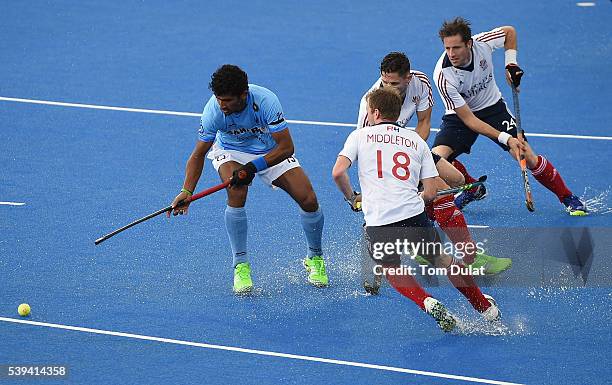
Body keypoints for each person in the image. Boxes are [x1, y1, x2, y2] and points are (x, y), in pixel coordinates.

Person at [334, 88, 500, 332]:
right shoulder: (416, 141)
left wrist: (353, 198)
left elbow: (338, 172)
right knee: (443, 259)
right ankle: (485, 308)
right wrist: (413, 200)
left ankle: (427, 301)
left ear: (375, 113)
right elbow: (431, 193)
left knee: (391, 267)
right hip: (414, 215)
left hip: (379, 221)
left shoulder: (359, 136)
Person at [168, 64, 328, 294]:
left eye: (227, 100)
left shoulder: (266, 101)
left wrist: (253, 166)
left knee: (308, 199)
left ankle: (315, 258)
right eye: (218, 98)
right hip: (231, 151)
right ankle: (240, 265)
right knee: (237, 190)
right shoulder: (213, 111)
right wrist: (187, 191)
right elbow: (198, 154)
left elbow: (287, 147)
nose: (221, 105)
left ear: (243, 95)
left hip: (269, 151)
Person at [356, 52, 511, 275]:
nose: (388, 88)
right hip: (388, 164)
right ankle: (471, 257)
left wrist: (416, 156)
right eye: (385, 82)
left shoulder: (420, 83)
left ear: (407, 78)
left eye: (394, 83)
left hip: (410, 147)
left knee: (456, 178)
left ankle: (417, 241)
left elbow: (424, 122)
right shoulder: (371, 104)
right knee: (443, 191)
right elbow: (366, 152)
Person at [432, 17, 587, 215]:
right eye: (447, 48)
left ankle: (567, 197)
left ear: (469, 43)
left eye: (457, 47)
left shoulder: (483, 43)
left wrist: (511, 63)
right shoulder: (443, 76)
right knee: (435, 160)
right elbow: (470, 120)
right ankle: (473, 188)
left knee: (525, 155)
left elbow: (509, 32)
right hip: (461, 116)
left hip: (493, 108)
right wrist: (507, 138)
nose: (451, 54)